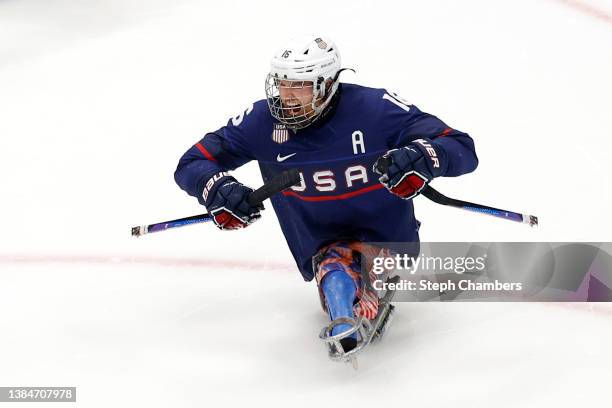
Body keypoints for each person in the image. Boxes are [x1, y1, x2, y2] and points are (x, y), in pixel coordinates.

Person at [174, 35, 478, 355]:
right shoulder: (261, 122)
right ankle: (344, 295)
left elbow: (461, 147)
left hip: (389, 239)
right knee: (335, 268)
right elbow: (192, 163)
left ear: (329, 83)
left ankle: (351, 290)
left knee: (340, 270)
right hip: (319, 242)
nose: (287, 96)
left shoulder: (376, 109)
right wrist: (217, 189)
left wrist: (422, 157)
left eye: (300, 85)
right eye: (282, 83)